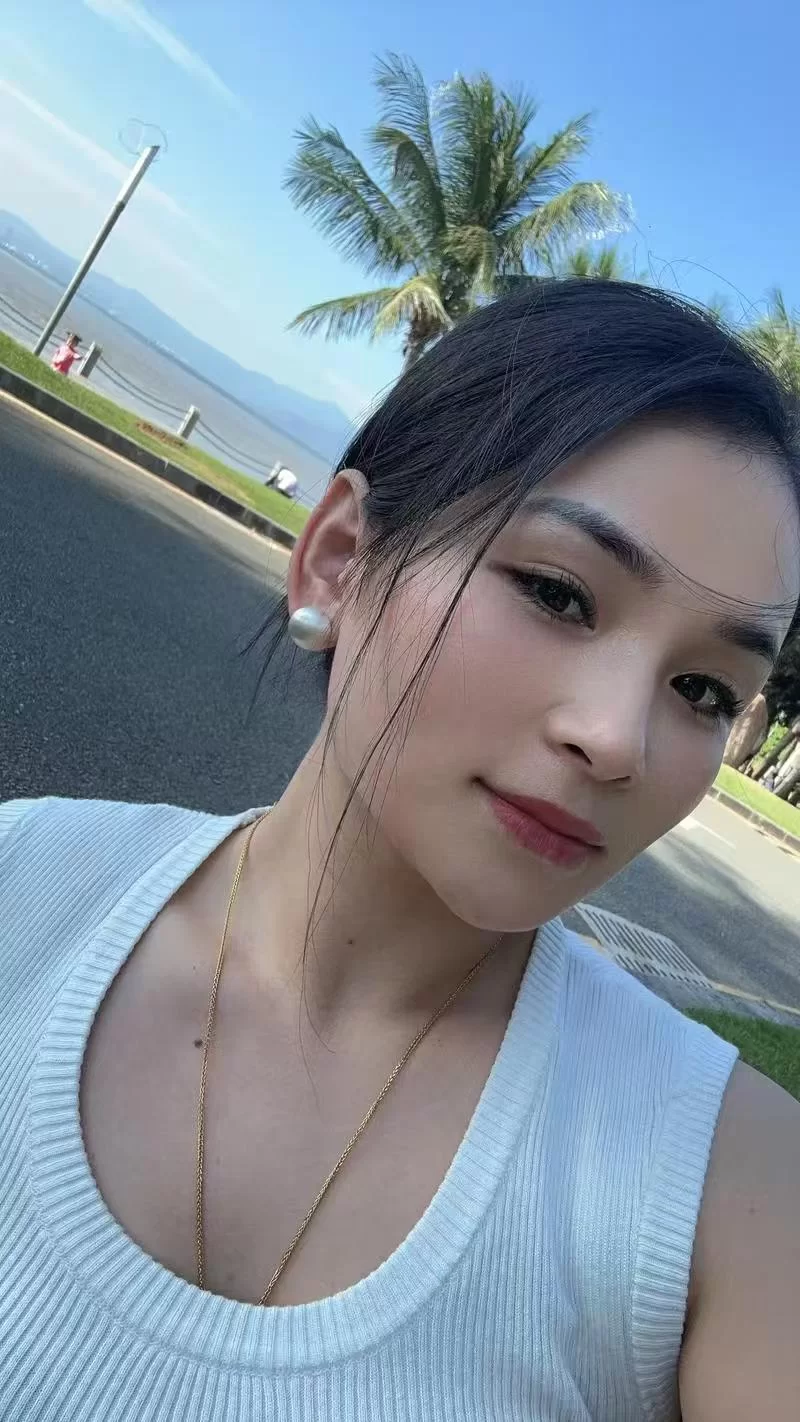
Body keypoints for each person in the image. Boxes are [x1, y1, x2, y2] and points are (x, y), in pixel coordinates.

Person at [1, 281, 798, 1422]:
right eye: (558, 593)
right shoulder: (24, 879)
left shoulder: (735, 1189)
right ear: (336, 560)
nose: (619, 738)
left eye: (703, 691)